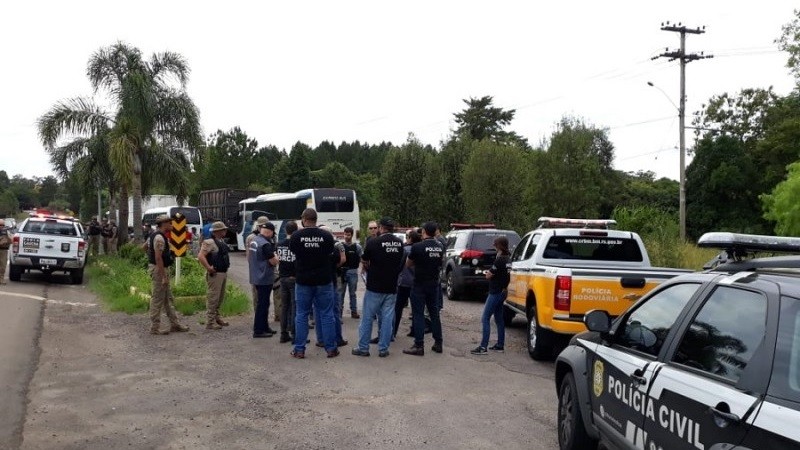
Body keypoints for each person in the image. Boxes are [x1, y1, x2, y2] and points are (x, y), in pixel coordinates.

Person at [289, 208, 338, 359]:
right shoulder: (326, 236)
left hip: (303, 280)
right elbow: (330, 253)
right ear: (316, 219)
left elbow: (294, 253)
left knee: (302, 314)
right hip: (323, 280)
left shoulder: (296, 236)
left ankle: (299, 349)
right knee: (326, 314)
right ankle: (331, 349)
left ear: (304, 219)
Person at [352, 217, 404, 358]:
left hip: (375, 286)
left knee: (367, 318)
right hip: (391, 286)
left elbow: (364, 259)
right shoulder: (400, 243)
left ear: (381, 228)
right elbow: (401, 263)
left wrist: (369, 267)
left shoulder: (374, 242)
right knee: (387, 318)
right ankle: (383, 349)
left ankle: (363, 348)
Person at [403, 222, 445, 356]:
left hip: (419, 284)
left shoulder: (417, 246)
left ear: (424, 231)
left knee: (418, 314)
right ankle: (438, 343)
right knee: (434, 314)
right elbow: (441, 262)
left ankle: (419, 345)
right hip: (433, 284)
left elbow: (408, 264)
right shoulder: (440, 246)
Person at [147, 214, 189, 335]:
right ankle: (155, 327)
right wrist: (164, 276)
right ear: (164, 224)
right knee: (157, 299)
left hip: (158, 268)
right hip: (160, 270)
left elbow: (145, 247)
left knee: (168, 298)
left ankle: (175, 324)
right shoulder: (159, 238)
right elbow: (158, 258)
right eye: (169, 222)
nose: (172, 224)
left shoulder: (154, 235)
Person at [471, 236, 511, 355]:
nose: (494, 246)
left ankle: (483, 347)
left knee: (485, 318)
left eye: (495, 244)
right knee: (499, 319)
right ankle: (500, 345)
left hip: (495, 292)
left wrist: (488, 273)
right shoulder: (508, 259)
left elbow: (489, 275)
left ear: (499, 246)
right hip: (503, 291)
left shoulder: (499, 260)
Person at [198, 221, 231, 331]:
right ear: (217, 231)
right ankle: (210, 322)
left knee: (219, 298)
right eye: (223, 229)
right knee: (213, 298)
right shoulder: (209, 242)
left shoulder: (220, 241)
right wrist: (208, 268)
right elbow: (201, 256)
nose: (225, 231)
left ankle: (216, 317)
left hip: (222, 272)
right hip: (215, 274)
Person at [249, 220, 279, 338]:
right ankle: (258, 330)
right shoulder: (265, 244)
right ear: (270, 232)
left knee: (263, 303)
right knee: (263, 304)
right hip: (264, 277)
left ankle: (265, 327)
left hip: (256, 276)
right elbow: (273, 261)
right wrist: (276, 257)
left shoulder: (255, 240)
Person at [393, 229, 421, 339]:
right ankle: (414, 331)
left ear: (409, 238)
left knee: (398, 308)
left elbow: (399, 265)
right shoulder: (419, 249)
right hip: (415, 282)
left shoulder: (404, 250)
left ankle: (393, 331)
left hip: (403, 282)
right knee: (415, 309)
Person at [276, 220, 298, 343]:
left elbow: (278, 259)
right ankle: (295, 335)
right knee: (295, 307)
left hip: (282, 277)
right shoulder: (296, 244)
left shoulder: (279, 244)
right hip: (293, 278)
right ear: (296, 231)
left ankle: (283, 334)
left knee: (285, 307)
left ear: (285, 230)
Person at [339, 227, 362, 319]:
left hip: (353, 272)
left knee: (352, 293)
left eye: (348, 235)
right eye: (345, 234)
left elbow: (361, 258)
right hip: (343, 272)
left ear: (352, 235)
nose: (346, 237)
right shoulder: (340, 246)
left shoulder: (357, 247)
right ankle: (339, 312)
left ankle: (354, 311)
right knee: (341, 293)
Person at [246, 216, 269, 311]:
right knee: (258, 295)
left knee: (262, 295)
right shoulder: (252, 238)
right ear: (259, 227)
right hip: (259, 269)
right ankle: (258, 314)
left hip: (262, 269)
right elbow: (249, 256)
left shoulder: (251, 237)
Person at [0, 219, 10, 284]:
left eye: (2, 225)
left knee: (3, 266)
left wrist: (6, 238)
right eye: (0, 225)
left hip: (3, 250)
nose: (1, 226)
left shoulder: (6, 232)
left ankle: (1, 279)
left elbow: (11, 240)